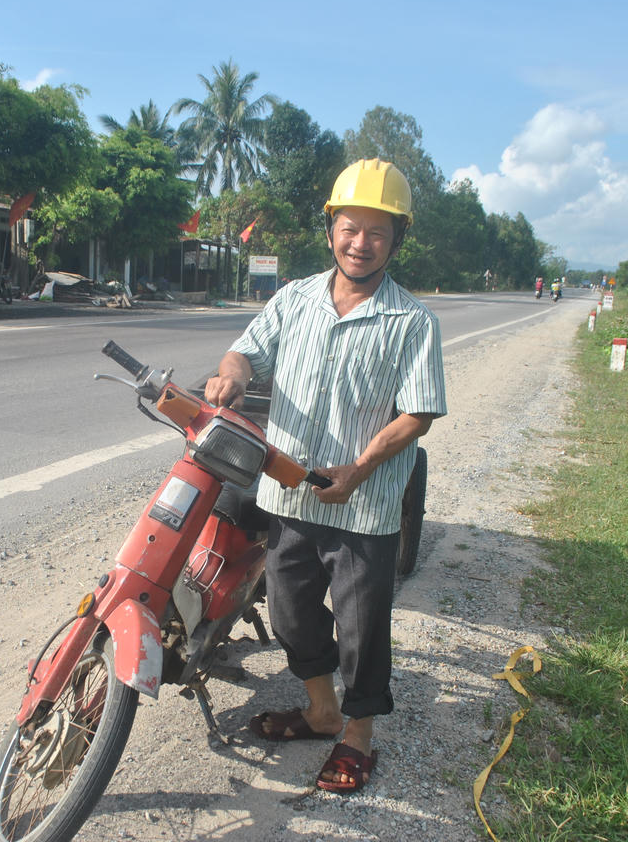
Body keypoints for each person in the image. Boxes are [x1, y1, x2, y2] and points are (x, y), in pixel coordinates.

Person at [204, 158, 447, 794]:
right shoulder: (293, 300)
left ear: (397, 241)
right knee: (289, 617)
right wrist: (232, 373)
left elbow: (417, 413)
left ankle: (358, 736)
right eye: (349, 226)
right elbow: (245, 350)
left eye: (376, 232)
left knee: (363, 628)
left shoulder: (411, 321)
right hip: (289, 495)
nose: (359, 243)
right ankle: (320, 710)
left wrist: (361, 468)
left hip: (361, 507)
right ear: (331, 228)